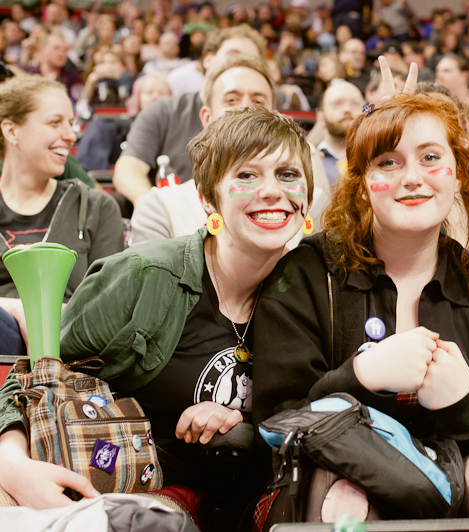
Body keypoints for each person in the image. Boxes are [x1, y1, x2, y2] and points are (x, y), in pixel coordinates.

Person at [0, 107, 314, 529]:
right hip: (111, 490)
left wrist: (241, 421)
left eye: (288, 174)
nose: (272, 191)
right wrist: (12, 466)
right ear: (207, 197)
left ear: (308, 195)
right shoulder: (143, 276)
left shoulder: (311, 289)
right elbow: (34, 380)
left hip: (231, 506)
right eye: (247, 175)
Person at [253, 62, 469, 525]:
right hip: (337, 484)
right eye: (388, 161)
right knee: (342, 487)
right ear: (363, 184)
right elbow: (276, 420)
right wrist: (360, 375)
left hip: (459, 485)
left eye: (430, 157)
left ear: (459, 175)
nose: (411, 178)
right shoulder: (308, 271)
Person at [129, 55, 329, 247]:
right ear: (207, 118)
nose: (246, 109)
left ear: (276, 116)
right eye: (231, 100)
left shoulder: (317, 203)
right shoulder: (161, 207)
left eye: (258, 102)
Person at [0, 76, 124, 354]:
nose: (70, 135)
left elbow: (111, 309)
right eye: (55, 122)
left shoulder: (96, 207)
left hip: (71, 356)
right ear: (11, 131)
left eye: (70, 123)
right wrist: (18, 309)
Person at [113, 27, 267, 207]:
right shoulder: (162, 111)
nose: (241, 64)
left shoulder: (266, 119)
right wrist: (154, 211)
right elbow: (128, 169)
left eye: (251, 60)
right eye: (234, 55)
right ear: (208, 59)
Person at [314, 80, 363, 186]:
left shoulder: (376, 159)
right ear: (321, 118)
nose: (347, 109)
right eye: (337, 103)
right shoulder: (309, 161)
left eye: (356, 104)